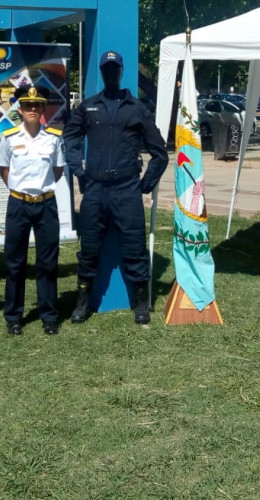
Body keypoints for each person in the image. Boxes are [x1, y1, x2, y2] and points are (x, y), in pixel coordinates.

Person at [63, 50, 169, 325]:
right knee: (88, 249)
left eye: (115, 69)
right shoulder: (88, 107)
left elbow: (160, 153)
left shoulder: (137, 109)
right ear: (101, 72)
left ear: (121, 72)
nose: (110, 73)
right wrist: (79, 173)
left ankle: (141, 304)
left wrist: (145, 185)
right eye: (106, 69)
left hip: (126, 189)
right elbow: (70, 139)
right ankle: (82, 303)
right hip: (95, 189)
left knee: (134, 248)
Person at [0, 85, 66, 336]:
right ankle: (14, 316)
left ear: (43, 109)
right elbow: (4, 170)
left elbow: (57, 171)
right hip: (18, 204)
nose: (32, 109)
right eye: (27, 105)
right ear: (20, 109)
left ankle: (48, 315)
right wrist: (21, 190)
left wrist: (39, 191)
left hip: (46, 203)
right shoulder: (9, 137)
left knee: (48, 262)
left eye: (37, 105)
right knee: (15, 263)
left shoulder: (54, 138)